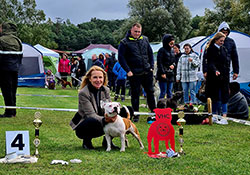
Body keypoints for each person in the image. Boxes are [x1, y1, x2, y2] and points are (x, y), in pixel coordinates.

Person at [69, 66, 116, 149]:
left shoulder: (106, 90)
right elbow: (91, 114)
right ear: (89, 79)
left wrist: (115, 117)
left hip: (102, 119)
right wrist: (107, 119)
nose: (98, 80)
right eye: (95, 77)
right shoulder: (83, 93)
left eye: (100, 77)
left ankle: (107, 142)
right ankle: (86, 142)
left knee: (122, 112)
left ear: (104, 78)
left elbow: (110, 108)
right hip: (85, 124)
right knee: (92, 120)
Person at [118, 22, 156, 122]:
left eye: (139, 32)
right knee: (135, 94)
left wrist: (151, 66)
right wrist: (128, 70)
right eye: (135, 31)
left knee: (150, 92)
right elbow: (121, 58)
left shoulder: (145, 39)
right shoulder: (124, 42)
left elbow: (150, 53)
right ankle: (136, 114)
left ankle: (153, 113)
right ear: (131, 30)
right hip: (134, 73)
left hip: (147, 71)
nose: (137, 33)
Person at [204, 32, 230, 117]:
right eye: (221, 40)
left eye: (223, 41)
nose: (222, 42)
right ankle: (214, 114)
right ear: (216, 40)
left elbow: (227, 62)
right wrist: (215, 70)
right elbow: (210, 62)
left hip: (224, 77)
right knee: (214, 96)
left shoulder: (224, 49)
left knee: (224, 96)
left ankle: (224, 115)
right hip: (213, 77)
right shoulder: (210, 49)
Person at [0, 22, 23, 118]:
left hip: (4, 69)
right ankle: (12, 111)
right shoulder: (18, 40)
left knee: (6, 91)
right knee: (13, 91)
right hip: (15, 69)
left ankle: (9, 112)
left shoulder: (1, 40)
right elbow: (20, 56)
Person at [156, 34, 176, 99]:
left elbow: (174, 61)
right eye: (170, 41)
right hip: (163, 74)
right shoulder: (161, 50)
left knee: (169, 92)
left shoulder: (172, 50)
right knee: (163, 92)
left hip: (171, 74)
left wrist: (173, 65)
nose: (172, 43)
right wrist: (162, 72)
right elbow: (159, 62)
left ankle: (169, 107)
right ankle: (160, 107)